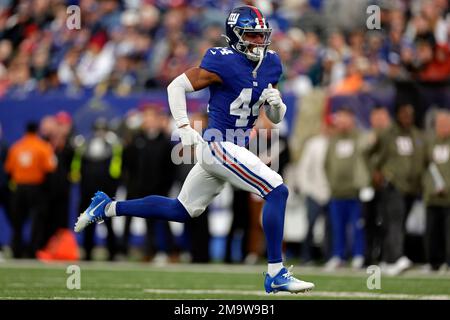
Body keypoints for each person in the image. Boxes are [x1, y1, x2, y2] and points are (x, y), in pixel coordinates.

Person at [74, 5, 314, 294]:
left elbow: (275, 118)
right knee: (277, 189)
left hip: (234, 148)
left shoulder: (272, 63)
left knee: (182, 210)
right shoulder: (222, 61)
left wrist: (277, 105)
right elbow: (176, 86)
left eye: (261, 36)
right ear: (235, 35)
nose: (258, 42)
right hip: (218, 145)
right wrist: (184, 127)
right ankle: (276, 272)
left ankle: (108, 207)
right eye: (251, 35)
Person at [5, 122, 56, 258]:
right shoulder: (43, 147)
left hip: (19, 188)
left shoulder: (16, 147)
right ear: (37, 130)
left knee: (18, 221)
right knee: (36, 220)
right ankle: (33, 250)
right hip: (36, 188)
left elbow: (9, 170)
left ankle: (16, 249)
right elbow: (49, 170)